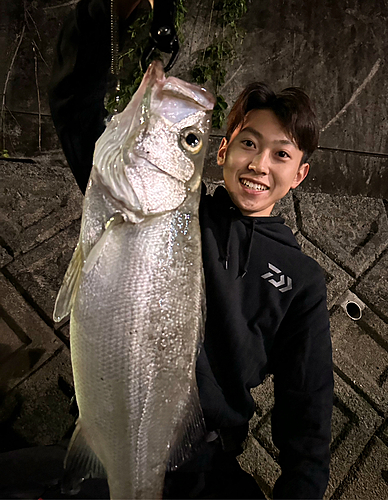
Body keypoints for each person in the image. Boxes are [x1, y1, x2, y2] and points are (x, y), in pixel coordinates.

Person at [48, 0, 334, 498]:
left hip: (211, 468)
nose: (260, 164)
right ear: (223, 150)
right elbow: (75, 105)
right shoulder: (158, 205)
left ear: (299, 174)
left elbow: (306, 422)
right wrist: (103, 14)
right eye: (248, 142)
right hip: (112, 438)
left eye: (281, 153)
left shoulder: (302, 281)